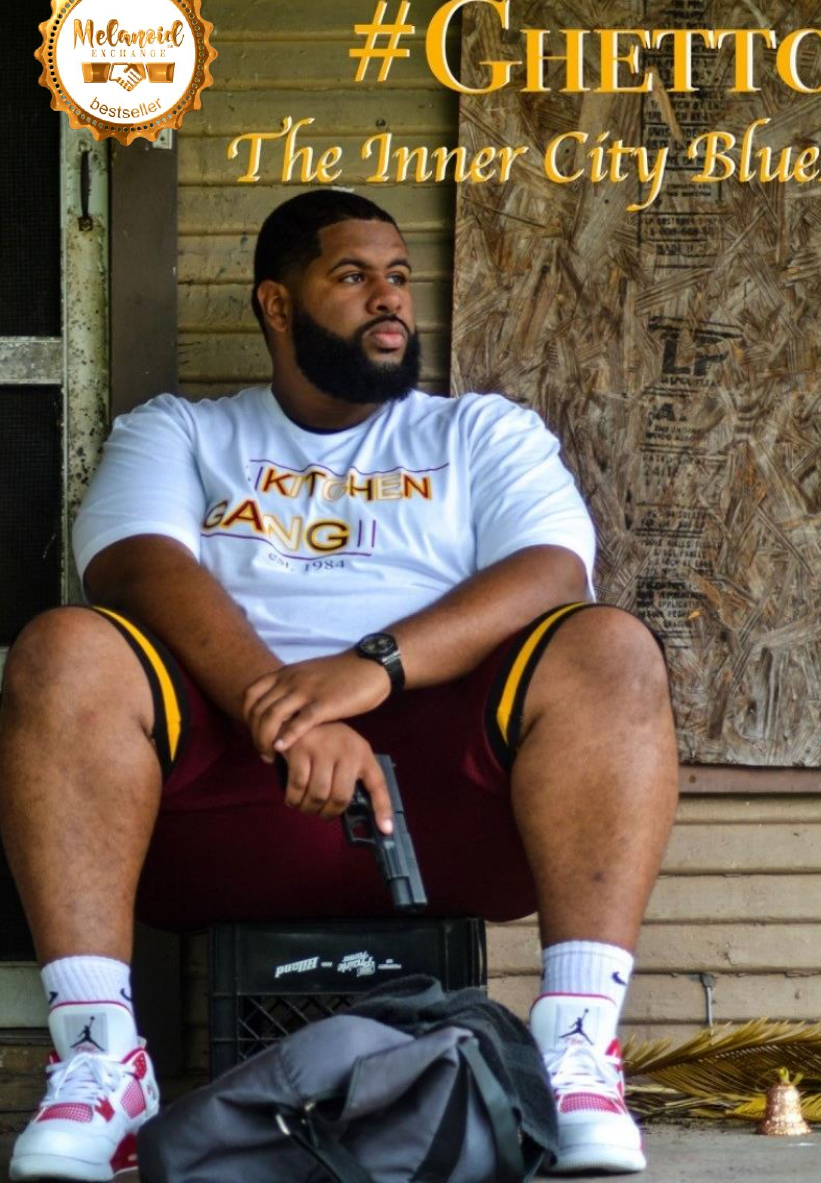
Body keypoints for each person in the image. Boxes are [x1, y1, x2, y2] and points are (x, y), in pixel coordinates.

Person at [0, 189, 678, 1180]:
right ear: (276, 304)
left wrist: (369, 670)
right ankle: (103, 1055)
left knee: (609, 646)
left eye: (397, 277)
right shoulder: (181, 432)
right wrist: (280, 708)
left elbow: (551, 570)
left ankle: (574, 1046)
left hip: (445, 809)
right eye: (352, 277)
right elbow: (134, 565)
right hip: (224, 798)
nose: (387, 300)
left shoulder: (480, 433)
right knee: (63, 647)